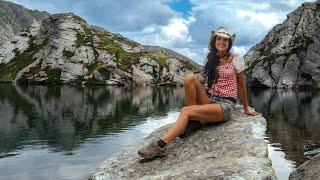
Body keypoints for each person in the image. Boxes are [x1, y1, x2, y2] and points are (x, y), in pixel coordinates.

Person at [138, 27, 260, 159]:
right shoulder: (212, 59)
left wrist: (246, 108)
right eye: (219, 39)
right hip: (211, 100)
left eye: (225, 40)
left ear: (229, 43)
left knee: (185, 111)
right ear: (214, 41)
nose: (222, 42)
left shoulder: (236, 59)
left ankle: (160, 146)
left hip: (225, 105)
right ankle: (195, 120)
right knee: (189, 78)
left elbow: (241, 84)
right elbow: (204, 81)